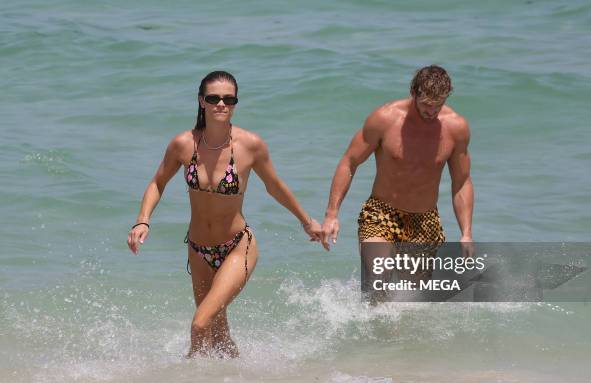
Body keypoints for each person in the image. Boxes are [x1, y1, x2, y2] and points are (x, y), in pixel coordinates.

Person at [127, 71, 321, 358]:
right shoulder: (183, 144)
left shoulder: (250, 145)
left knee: (199, 324)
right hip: (198, 250)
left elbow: (275, 187)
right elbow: (158, 182)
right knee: (218, 335)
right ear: (201, 101)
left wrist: (307, 221)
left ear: (235, 103)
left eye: (228, 99)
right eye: (214, 98)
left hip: (236, 248)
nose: (221, 104)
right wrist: (143, 220)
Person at [321, 65, 474, 260]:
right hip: (381, 214)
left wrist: (466, 233)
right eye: (426, 104)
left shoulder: (456, 128)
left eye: (439, 104)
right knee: (378, 281)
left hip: (425, 221)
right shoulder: (385, 119)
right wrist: (331, 214)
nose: (432, 111)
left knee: (411, 291)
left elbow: (461, 181)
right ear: (413, 93)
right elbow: (349, 162)